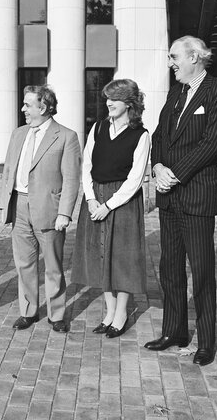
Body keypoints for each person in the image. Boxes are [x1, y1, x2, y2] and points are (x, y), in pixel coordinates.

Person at [144, 36, 217, 366]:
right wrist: (157, 166)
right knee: (170, 269)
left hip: (195, 197)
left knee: (202, 271)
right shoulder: (176, 92)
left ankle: (206, 342)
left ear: (194, 57)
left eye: (174, 57)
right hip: (169, 199)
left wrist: (173, 173)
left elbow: (211, 144)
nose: (171, 63)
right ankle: (175, 331)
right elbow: (158, 136)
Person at [71, 79, 150, 338]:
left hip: (123, 202)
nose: (108, 103)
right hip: (96, 197)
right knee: (99, 254)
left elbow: (135, 179)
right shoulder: (98, 127)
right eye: (107, 98)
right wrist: (92, 199)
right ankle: (109, 310)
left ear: (129, 103)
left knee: (122, 257)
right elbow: (87, 166)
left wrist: (108, 205)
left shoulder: (141, 135)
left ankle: (121, 313)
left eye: (114, 99)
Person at [0, 85, 81, 333]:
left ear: (43, 107)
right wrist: (6, 203)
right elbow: (8, 170)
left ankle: (56, 315)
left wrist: (65, 213)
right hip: (19, 206)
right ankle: (28, 312)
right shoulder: (19, 133)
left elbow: (71, 179)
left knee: (53, 266)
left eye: (27, 105)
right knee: (24, 264)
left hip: (49, 209)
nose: (23, 109)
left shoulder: (66, 136)